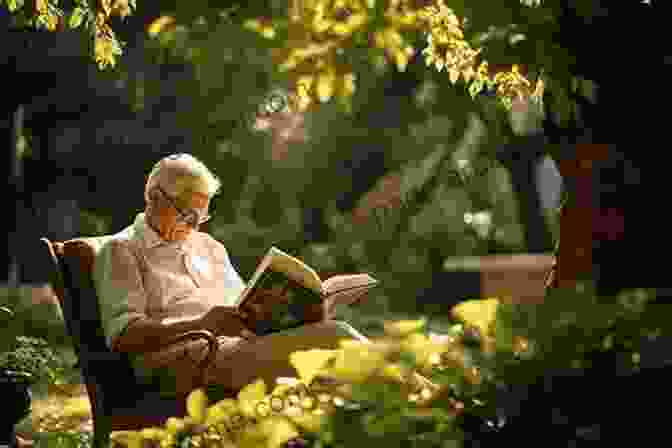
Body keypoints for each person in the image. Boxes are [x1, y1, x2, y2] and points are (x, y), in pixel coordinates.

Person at [93, 154, 368, 397]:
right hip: (183, 361)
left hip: (235, 348)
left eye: (201, 218)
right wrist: (202, 323)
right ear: (154, 196)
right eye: (187, 215)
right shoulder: (122, 250)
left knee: (332, 352)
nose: (194, 227)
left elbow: (240, 305)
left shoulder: (209, 247)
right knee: (336, 340)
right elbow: (124, 335)